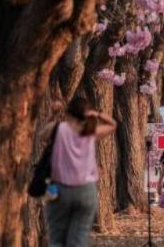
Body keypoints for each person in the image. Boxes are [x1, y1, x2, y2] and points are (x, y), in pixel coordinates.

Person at [40, 98, 116, 247]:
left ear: (68, 113)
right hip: (86, 190)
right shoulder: (90, 132)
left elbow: (42, 135)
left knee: (56, 237)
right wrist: (98, 114)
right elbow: (112, 125)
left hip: (59, 189)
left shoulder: (58, 129)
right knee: (79, 239)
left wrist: (53, 114)